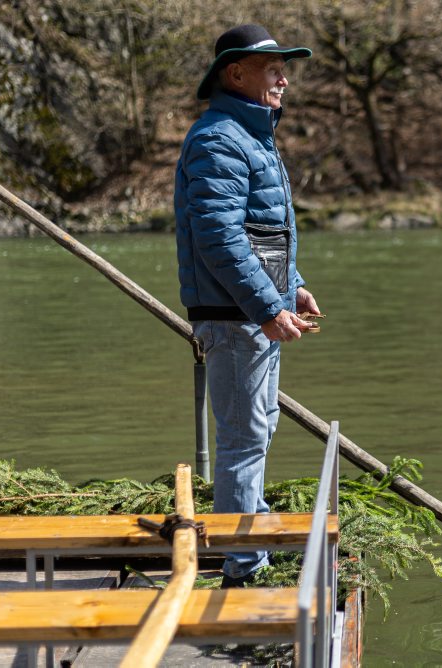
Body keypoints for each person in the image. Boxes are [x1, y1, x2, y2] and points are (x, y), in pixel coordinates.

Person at [174, 24, 319, 588]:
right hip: (236, 320)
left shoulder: (249, 135)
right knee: (241, 441)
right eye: (273, 68)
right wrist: (264, 307)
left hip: (248, 314)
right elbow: (219, 236)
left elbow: (264, 233)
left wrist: (292, 287)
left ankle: (249, 537)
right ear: (236, 74)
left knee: (256, 431)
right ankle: (244, 565)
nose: (284, 78)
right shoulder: (219, 139)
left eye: (285, 68)